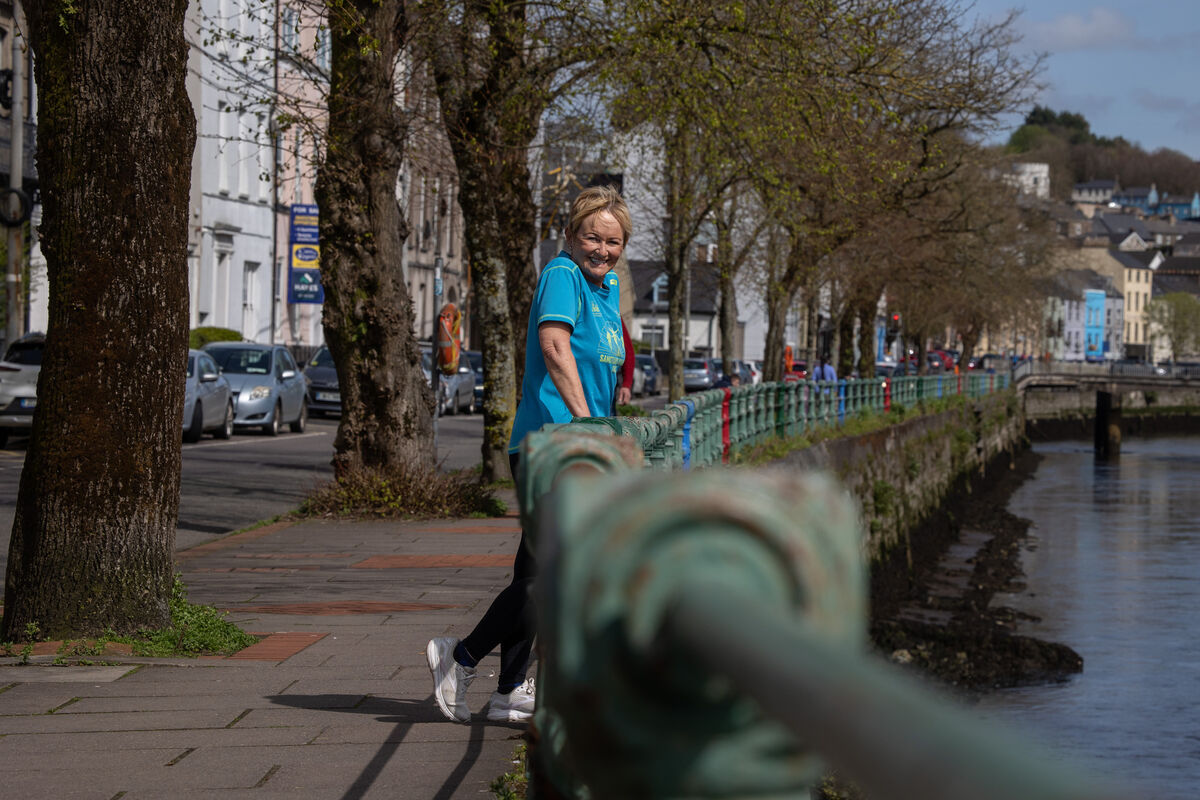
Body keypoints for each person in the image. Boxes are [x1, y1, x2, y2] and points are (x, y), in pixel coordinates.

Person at [426, 186, 631, 724]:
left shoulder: (605, 290)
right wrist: (589, 422)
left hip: (577, 446)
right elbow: (554, 347)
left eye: (613, 242)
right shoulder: (563, 276)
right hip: (553, 444)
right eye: (593, 236)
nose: (603, 249)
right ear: (572, 235)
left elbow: (602, 364)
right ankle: (461, 656)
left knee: (534, 572)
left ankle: (509, 689)